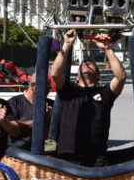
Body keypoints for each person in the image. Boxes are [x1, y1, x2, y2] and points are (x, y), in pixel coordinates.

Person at [50, 28, 127, 166]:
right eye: (82, 65)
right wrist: (67, 44)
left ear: (98, 75)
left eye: (90, 64)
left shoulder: (105, 93)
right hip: (68, 157)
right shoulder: (69, 90)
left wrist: (107, 48)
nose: (85, 64)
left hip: (96, 159)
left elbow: (121, 77)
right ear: (77, 76)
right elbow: (55, 73)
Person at [1, 76, 52, 150]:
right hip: (18, 150)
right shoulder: (14, 103)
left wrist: (48, 121)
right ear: (33, 86)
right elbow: (14, 128)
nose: (47, 92)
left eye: (49, 89)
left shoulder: (51, 105)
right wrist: (40, 120)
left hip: (42, 150)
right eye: (46, 89)